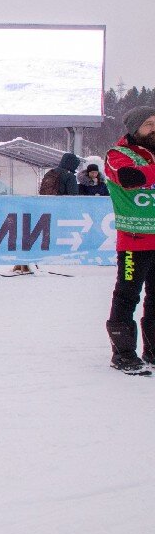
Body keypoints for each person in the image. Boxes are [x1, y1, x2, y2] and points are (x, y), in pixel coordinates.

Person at [102, 106, 155, 373]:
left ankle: (153, 351)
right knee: (127, 296)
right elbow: (128, 178)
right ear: (135, 129)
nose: (154, 128)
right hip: (135, 241)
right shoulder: (118, 154)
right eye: (148, 124)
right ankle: (122, 354)